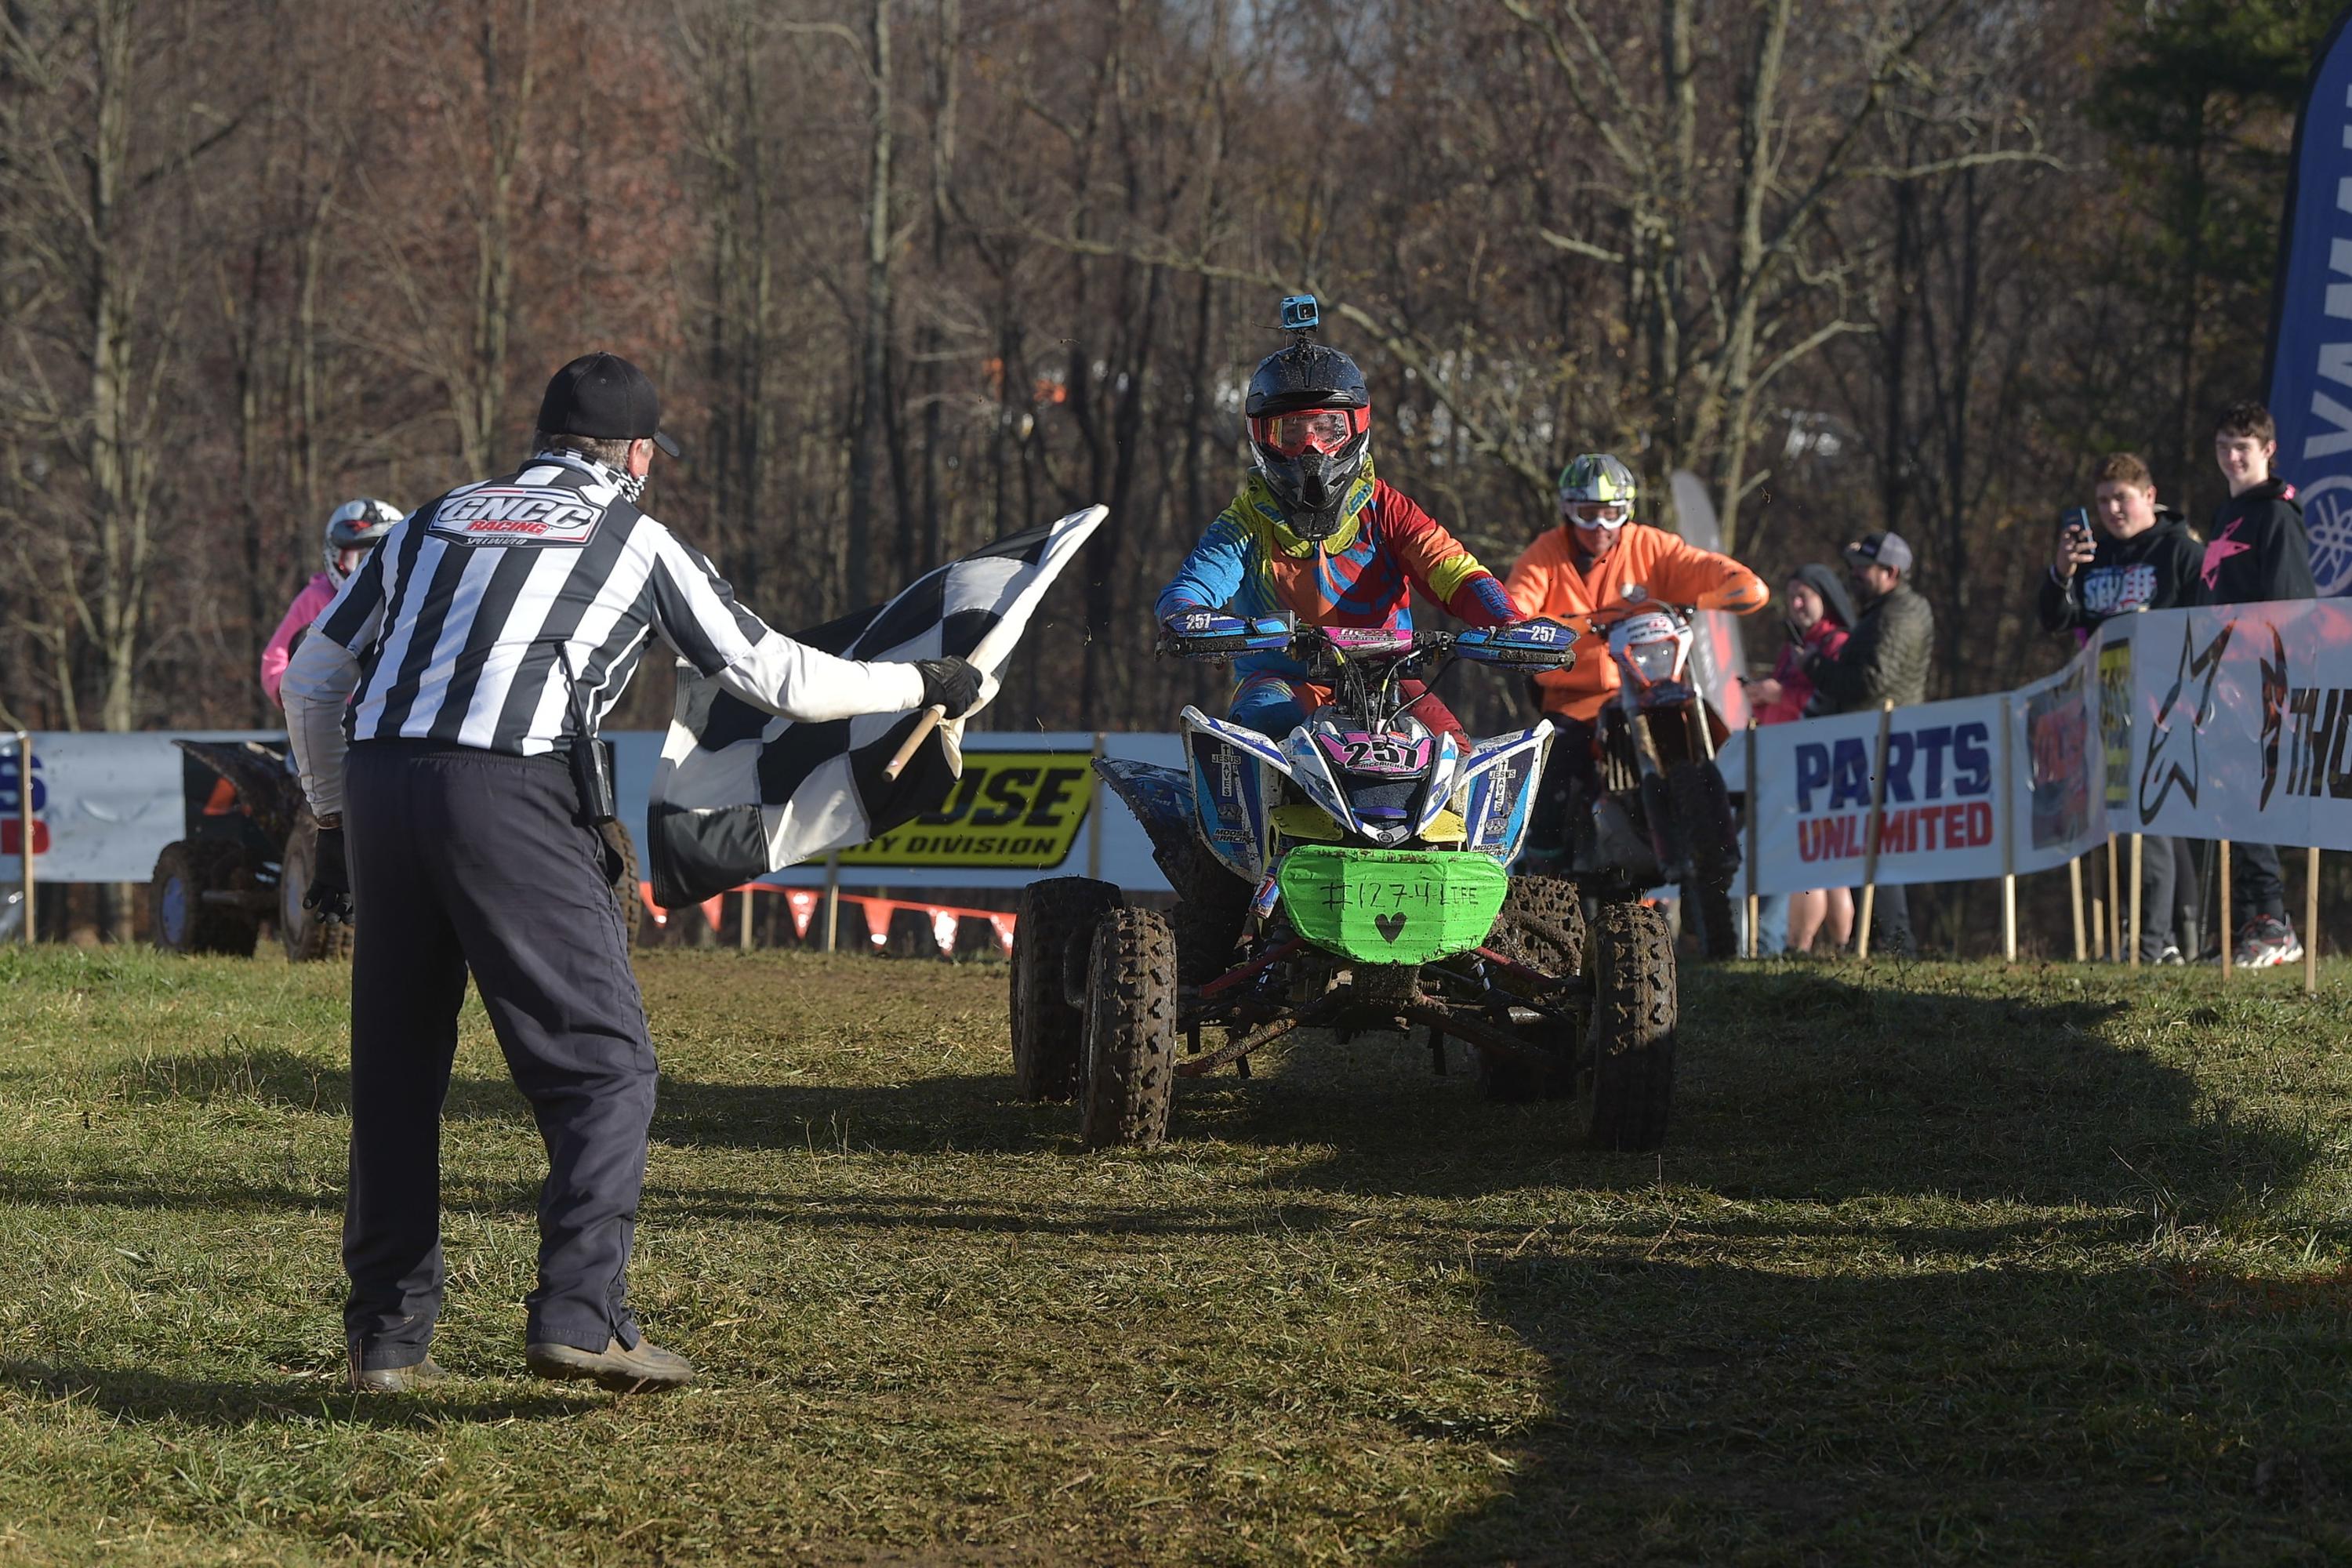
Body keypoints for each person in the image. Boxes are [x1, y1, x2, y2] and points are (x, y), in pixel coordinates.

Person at [280, 351, 989, 1394]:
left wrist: (337, 813)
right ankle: (579, 1315)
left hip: (383, 782)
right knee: (604, 1068)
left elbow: (312, 674)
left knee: (396, 1075)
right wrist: (921, 679)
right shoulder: (634, 535)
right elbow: (771, 673)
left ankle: (384, 1343)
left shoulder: (428, 520)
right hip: (512, 788)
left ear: (538, 440)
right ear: (639, 456)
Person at [1156, 302, 1519, 742]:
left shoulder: (1389, 509)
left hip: (1390, 683)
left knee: (1453, 749)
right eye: (1290, 434)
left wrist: (1506, 620)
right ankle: (1232, 813)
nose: (1311, 450)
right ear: (1262, 438)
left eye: (1328, 430)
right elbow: (1191, 587)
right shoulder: (1247, 520)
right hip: (1282, 684)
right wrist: (1190, 618)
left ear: (1356, 428)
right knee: (1258, 731)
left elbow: (1453, 570)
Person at [1504, 453, 1766, 844]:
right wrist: (1582, 623)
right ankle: (1544, 866)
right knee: (1553, 768)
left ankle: (1716, 829)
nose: (1600, 526)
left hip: (1650, 688)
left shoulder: (1653, 547)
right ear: (1567, 511)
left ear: (1628, 510)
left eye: (1612, 513)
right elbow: (1514, 611)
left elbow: (1713, 571)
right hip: (1575, 700)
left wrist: (1723, 591)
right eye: (1587, 513)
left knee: (1704, 730)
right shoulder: (1544, 556)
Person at [2038, 452, 2205, 963]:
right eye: (2103, 500)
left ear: (2149, 495)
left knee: (2152, 817)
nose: (2112, 509)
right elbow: (2056, 619)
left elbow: (2210, 621)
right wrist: (2064, 568)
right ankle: (2174, 938)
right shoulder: (2098, 555)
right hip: (2107, 703)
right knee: (2142, 822)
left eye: (2122, 497)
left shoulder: (2180, 551)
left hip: (2166, 704)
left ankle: (2152, 943)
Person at [2200, 401, 2316, 967]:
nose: (2231, 456)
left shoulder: (2275, 516)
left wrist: (2261, 676)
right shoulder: (2229, 514)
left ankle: (2274, 924)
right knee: (2226, 800)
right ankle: (2249, 922)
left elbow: (2292, 607)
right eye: (2223, 445)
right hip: (2219, 679)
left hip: (2259, 682)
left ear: (2268, 450)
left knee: (2252, 797)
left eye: (2242, 447)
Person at [1806, 531, 1935, 958]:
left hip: (1886, 746)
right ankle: (1880, 941)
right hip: (1868, 743)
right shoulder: (1883, 612)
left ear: (1891, 573)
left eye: (1863, 569)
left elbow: (1870, 682)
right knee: (1864, 845)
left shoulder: (1902, 614)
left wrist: (1817, 668)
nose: (1854, 576)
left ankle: (1895, 944)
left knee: (1879, 846)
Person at [1743, 564, 1856, 954]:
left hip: (1816, 765)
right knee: (1826, 865)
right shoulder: (1795, 649)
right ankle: (1836, 949)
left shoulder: (1835, 643)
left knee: (1811, 862)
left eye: (1803, 594)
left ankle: (1802, 948)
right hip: (1789, 760)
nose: (1795, 604)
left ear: (1825, 597)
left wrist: (1779, 697)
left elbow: (1832, 702)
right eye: (1791, 595)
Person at [260, 499, 404, 708]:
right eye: (358, 558)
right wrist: (297, 690)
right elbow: (275, 659)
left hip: (391, 713)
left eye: (376, 559)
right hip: (332, 715)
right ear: (337, 555)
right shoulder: (317, 598)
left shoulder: (406, 600)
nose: (367, 570)